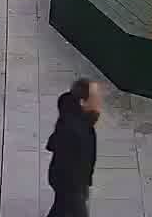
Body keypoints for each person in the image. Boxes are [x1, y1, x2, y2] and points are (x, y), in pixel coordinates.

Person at [45, 80, 102, 217]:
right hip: (70, 185)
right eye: (95, 97)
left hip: (71, 183)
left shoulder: (78, 119)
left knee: (60, 208)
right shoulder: (75, 128)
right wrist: (81, 186)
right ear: (83, 102)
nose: (99, 99)